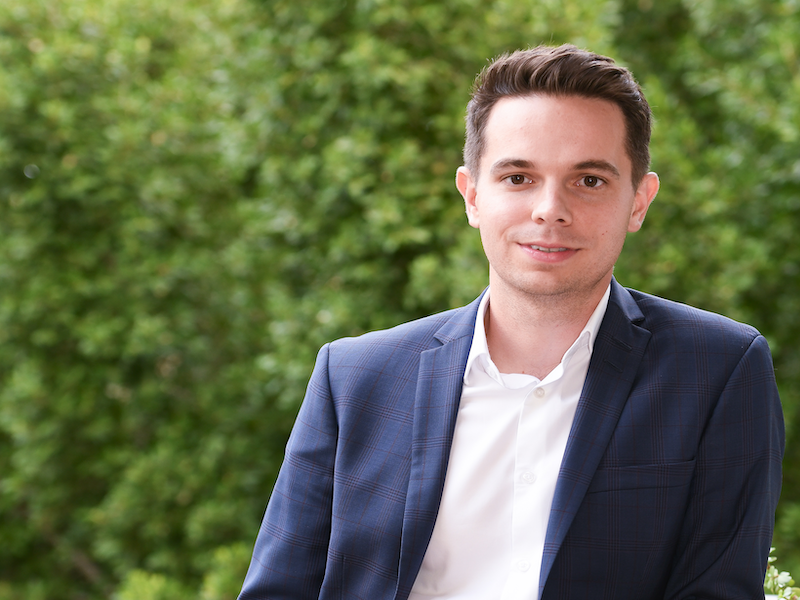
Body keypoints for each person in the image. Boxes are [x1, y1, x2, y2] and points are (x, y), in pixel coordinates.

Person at [238, 44, 785, 600]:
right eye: (519, 177)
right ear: (472, 195)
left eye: (589, 180)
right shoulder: (355, 377)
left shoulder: (718, 370)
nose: (550, 209)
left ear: (639, 201)